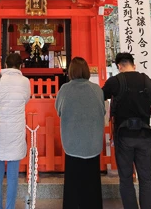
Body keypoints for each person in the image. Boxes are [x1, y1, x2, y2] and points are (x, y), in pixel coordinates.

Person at [102, 52, 151, 209]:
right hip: (145, 135)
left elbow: (101, 95)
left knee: (125, 178)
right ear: (134, 64)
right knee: (146, 178)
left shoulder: (115, 81)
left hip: (124, 136)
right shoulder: (148, 81)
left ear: (119, 66)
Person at [55, 57, 105, 209]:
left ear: (71, 71)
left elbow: (59, 111)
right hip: (92, 142)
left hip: (72, 143)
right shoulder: (96, 89)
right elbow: (102, 111)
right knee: (92, 181)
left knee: (73, 181)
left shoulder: (65, 89)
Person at [0, 52, 31, 209]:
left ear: (5, 65)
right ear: (20, 66)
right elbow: (26, 99)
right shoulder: (25, 81)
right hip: (15, 131)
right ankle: (10, 207)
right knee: (13, 175)